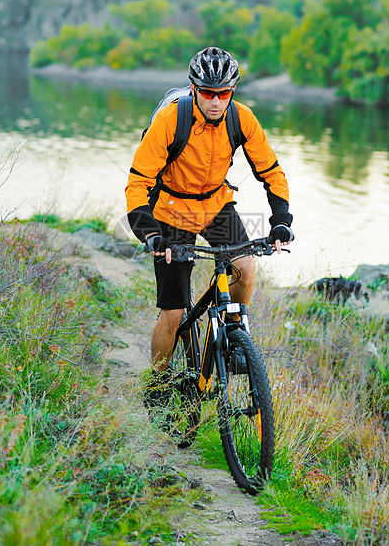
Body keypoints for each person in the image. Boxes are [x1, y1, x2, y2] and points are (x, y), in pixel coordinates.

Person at [125, 46, 293, 380]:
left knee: (244, 266)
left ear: (232, 92)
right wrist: (150, 233)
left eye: (224, 94)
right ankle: (156, 383)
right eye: (207, 93)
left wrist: (281, 222)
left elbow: (272, 171)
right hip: (170, 212)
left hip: (216, 204)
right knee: (173, 313)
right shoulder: (170, 120)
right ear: (193, 90)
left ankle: (233, 338)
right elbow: (138, 182)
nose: (216, 101)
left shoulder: (241, 117)